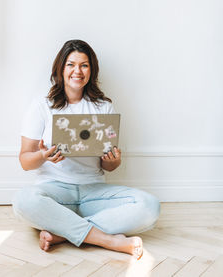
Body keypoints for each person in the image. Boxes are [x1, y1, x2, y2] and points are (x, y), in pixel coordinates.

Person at [12, 39, 160, 259]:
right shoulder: (42, 106)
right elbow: (25, 161)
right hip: (55, 193)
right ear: (61, 68)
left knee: (149, 206)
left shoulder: (104, 107)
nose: (77, 71)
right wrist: (43, 156)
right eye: (71, 64)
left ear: (92, 70)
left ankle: (62, 233)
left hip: (94, 192)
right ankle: (108, 240)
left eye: (84, 65)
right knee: (24, 201)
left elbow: (108, 166)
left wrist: (113, 160)